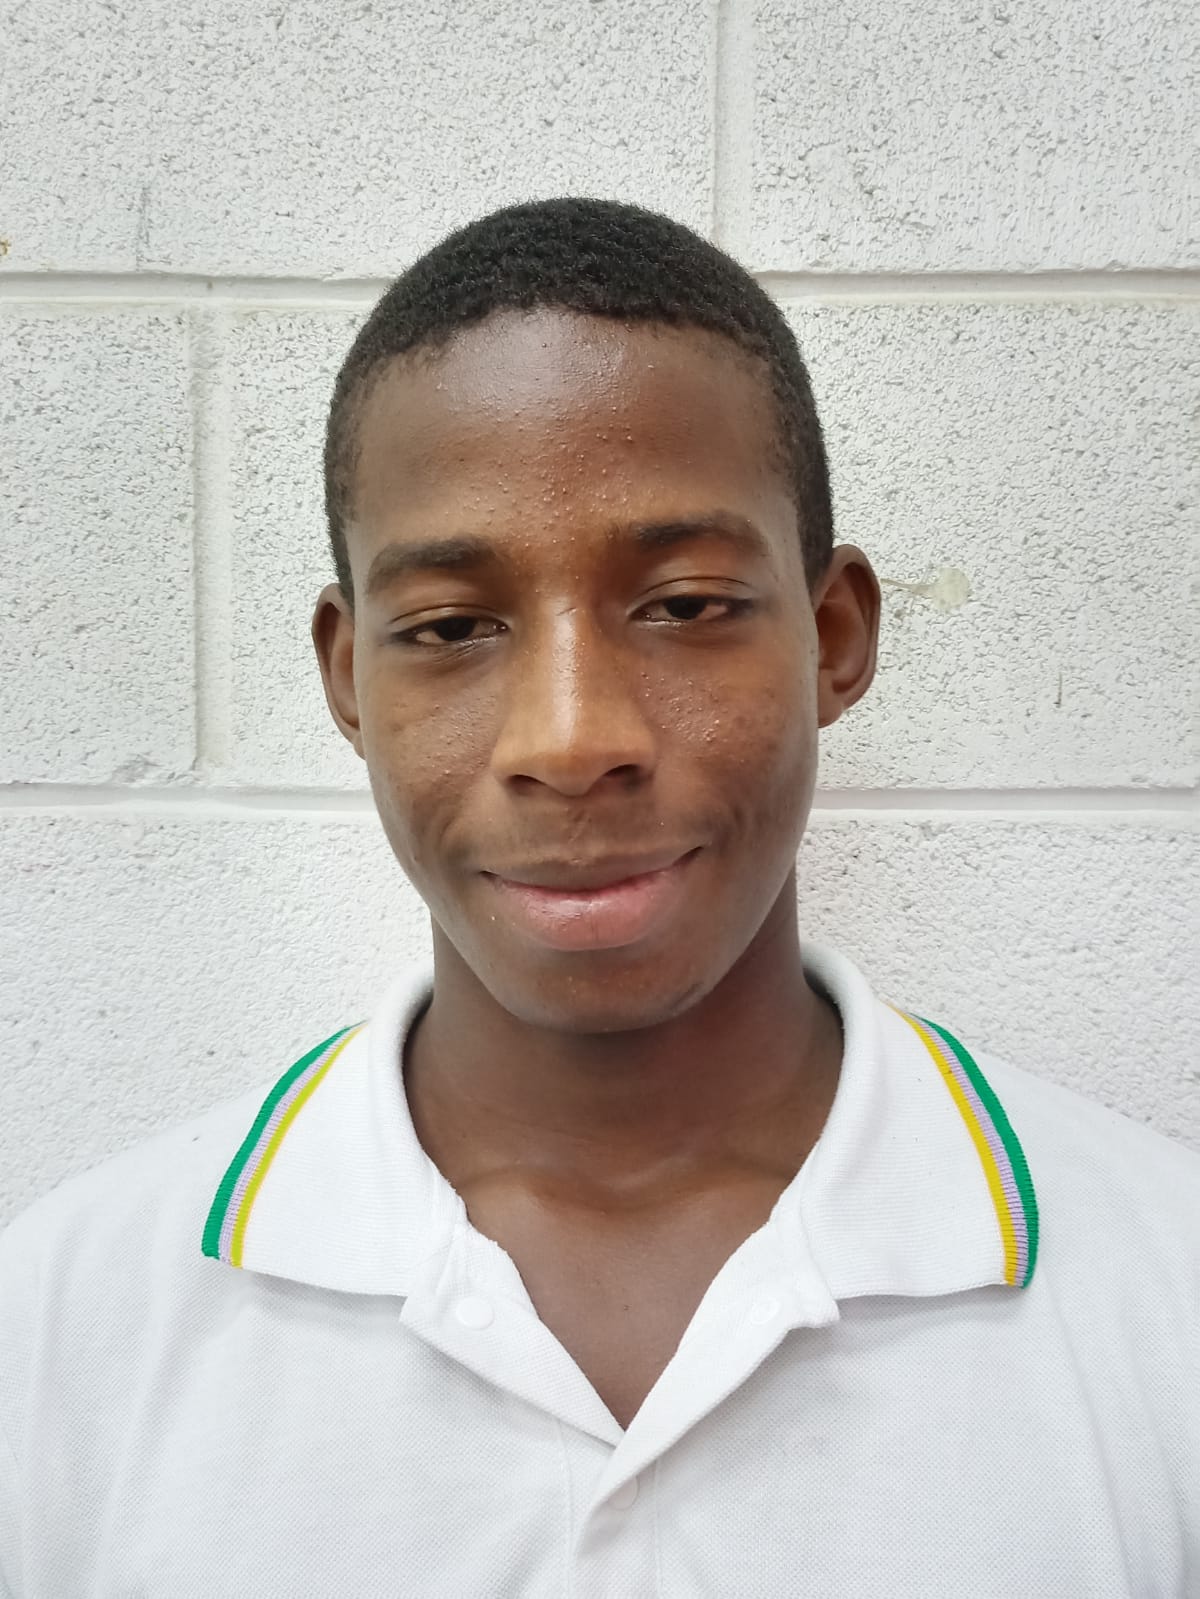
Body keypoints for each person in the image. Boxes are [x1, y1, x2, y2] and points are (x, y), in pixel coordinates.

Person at [1, 198, 1196, 1598]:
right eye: (451, 627)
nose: (570, 741)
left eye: (683, 605)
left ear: (834, 638)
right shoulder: (68, 1327)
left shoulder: (1163, 1292)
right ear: (349, 678)